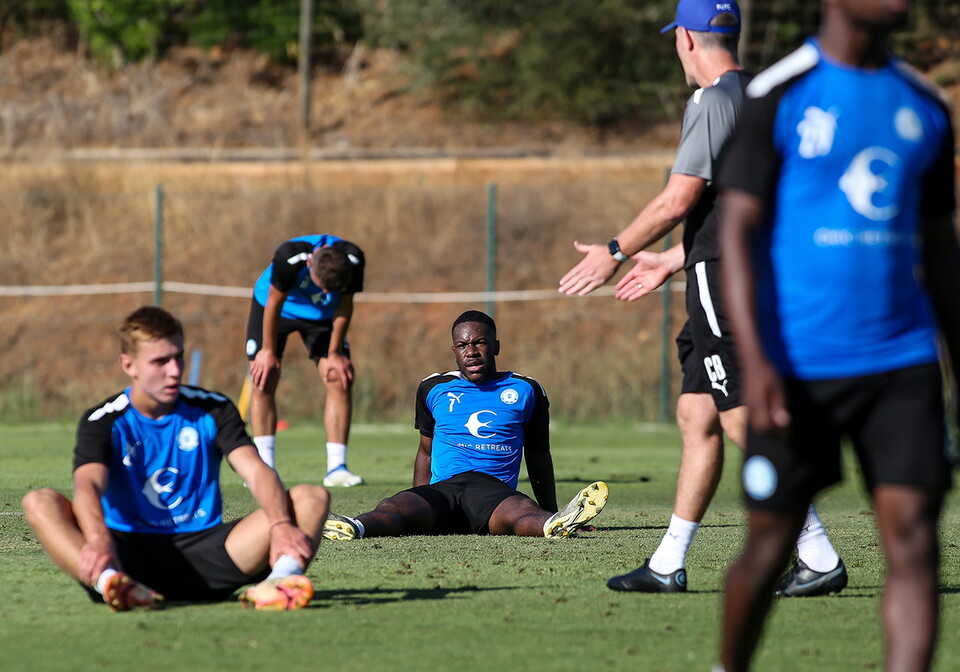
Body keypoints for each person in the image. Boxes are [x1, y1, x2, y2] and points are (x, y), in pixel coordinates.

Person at [559, 0, 844, 594]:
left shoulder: (713, 100)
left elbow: (677, 200)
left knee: (740, 413)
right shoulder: (766, 97)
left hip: (723, 278)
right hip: (733, 267)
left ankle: (817, 553)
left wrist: (611, 252)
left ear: (686, 38)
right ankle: (668, 563)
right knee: (698, 412)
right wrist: (669, 259)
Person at [714, 0, 960, 668]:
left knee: (913, 540)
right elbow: (734, 232)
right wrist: (757, 362)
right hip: (796, 364)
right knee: (770, 543)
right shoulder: (778, 93)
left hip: (902, 363)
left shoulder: (925, 105)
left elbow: (940, 250)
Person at [22, 306, 329, 611]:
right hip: (126, 557)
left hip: (209, 555)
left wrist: (279, 524)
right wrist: (99, 541)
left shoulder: (213, 408)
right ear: (129, 365)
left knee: (311, 497)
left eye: (178, 356)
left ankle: (279, 582)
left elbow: (256, 470)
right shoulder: (103, 420)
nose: (174, 370)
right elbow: (88, 486)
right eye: (160, 361)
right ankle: (110, 582)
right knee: (39, 501)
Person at [321, 310, 608, 540]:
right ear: (454, 351)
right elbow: (425, 451)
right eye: (462, 345)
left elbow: (538, 455)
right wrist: (419, 496)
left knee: (522, 513)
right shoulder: (433, 388)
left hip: (494, 492)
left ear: (495, 346)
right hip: (443, 491)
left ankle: (555, 523)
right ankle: (353, 526)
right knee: (393, 507)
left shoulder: (526, 390)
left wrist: (550, 509)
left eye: (479, 343)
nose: (471, 351)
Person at [246, 233, 366, 487]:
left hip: (323, 316)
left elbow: (344, 305)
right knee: (263, 378)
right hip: (277, 308)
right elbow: (274, 303)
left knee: (339, 378)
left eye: (329, 289)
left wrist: (334, 354)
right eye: (321, 285)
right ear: (310, 265)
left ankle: (337, 468)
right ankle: (264, 468)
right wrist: (267, 350)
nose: (323, 291)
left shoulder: (354, 260)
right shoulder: (289, 257)